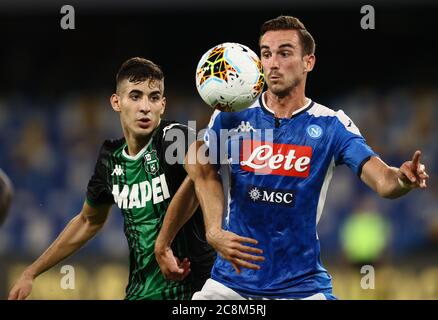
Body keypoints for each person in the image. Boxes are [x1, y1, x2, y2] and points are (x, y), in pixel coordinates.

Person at [156, 15, 430, 300]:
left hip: (301, 289)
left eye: (284, 53)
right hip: (230, 286)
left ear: (308, 62)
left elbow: (384, 181)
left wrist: (402, 178)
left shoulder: (331, 126)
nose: (273, 63)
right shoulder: (231, 117)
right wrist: (165, 244)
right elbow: (199, 176)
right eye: (266, 54)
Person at [8, 57, 215, 300]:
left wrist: (164, 243)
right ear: (116, 102)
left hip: (192, 292)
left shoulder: (175, 138)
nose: (145, 107)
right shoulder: (110, 158)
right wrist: (31, 272)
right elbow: (88, 221)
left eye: (154, 97)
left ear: (163, 104)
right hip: (139, 293)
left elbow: (202, 172)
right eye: (135, 96)